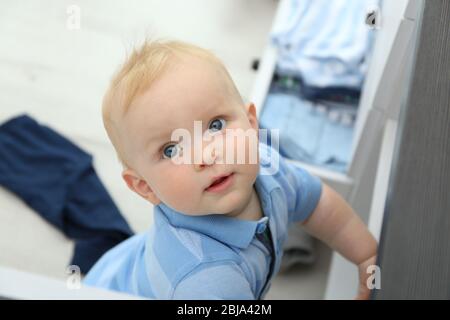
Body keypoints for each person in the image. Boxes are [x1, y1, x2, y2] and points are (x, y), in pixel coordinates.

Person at [83, 40, 377, 299]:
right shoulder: (204, 278)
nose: (206, 155)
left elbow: (317, 204)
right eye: (171, 150)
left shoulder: (267, 165)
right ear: (145, 187)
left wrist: (366, 254)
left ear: (251, 124)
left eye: (216, 125)